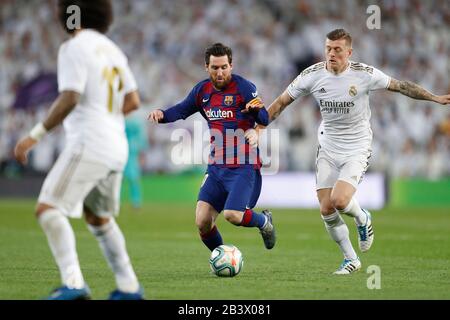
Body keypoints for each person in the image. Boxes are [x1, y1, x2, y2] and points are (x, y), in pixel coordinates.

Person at [248, 29, 450, 274]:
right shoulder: (312, 75)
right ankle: (351, 259)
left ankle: (362, 217)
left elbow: (401, 86)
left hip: (357, 146)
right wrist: (258, 129)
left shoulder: (364, 74)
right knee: (325, 208)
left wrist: (435, 97)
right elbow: (280, 103)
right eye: (328, 49)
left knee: (340, 200)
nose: (331, 54)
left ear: (349, 52)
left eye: (337, 50)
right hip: (328, 146)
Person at [14, 0, 144, 299]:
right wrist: (107, 118)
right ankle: (129, 287)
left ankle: (73, 284)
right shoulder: (113, 50)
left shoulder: (73, 47)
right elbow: (134, 100)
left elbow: (71, 97)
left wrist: (34, 135)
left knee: (48, 209)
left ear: (70, 15)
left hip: (90, 142)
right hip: (116, 146)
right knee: (99, 219)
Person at [148, 43, 276, 253]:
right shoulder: (202, 91)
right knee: (202, 221)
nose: (220, 72)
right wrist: (162, 114)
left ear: (231, 65)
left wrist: (255, 112)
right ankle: (224, 256)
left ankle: (264, 222)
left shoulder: (243, 87)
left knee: (233, 215)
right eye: (215, 67)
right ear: (206, 67)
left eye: (224, 67)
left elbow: (264, 117)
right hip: (217, 166)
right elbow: (181, 110)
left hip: (243, 164)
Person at [123, 114, 148, 210]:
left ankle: (135, 201)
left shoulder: (127, 121)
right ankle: (136, 202)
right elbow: (142, 139)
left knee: (130, 179)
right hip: (130, 152)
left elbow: (141, 139)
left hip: (129, 152)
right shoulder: (136, 121)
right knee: (132, 179)